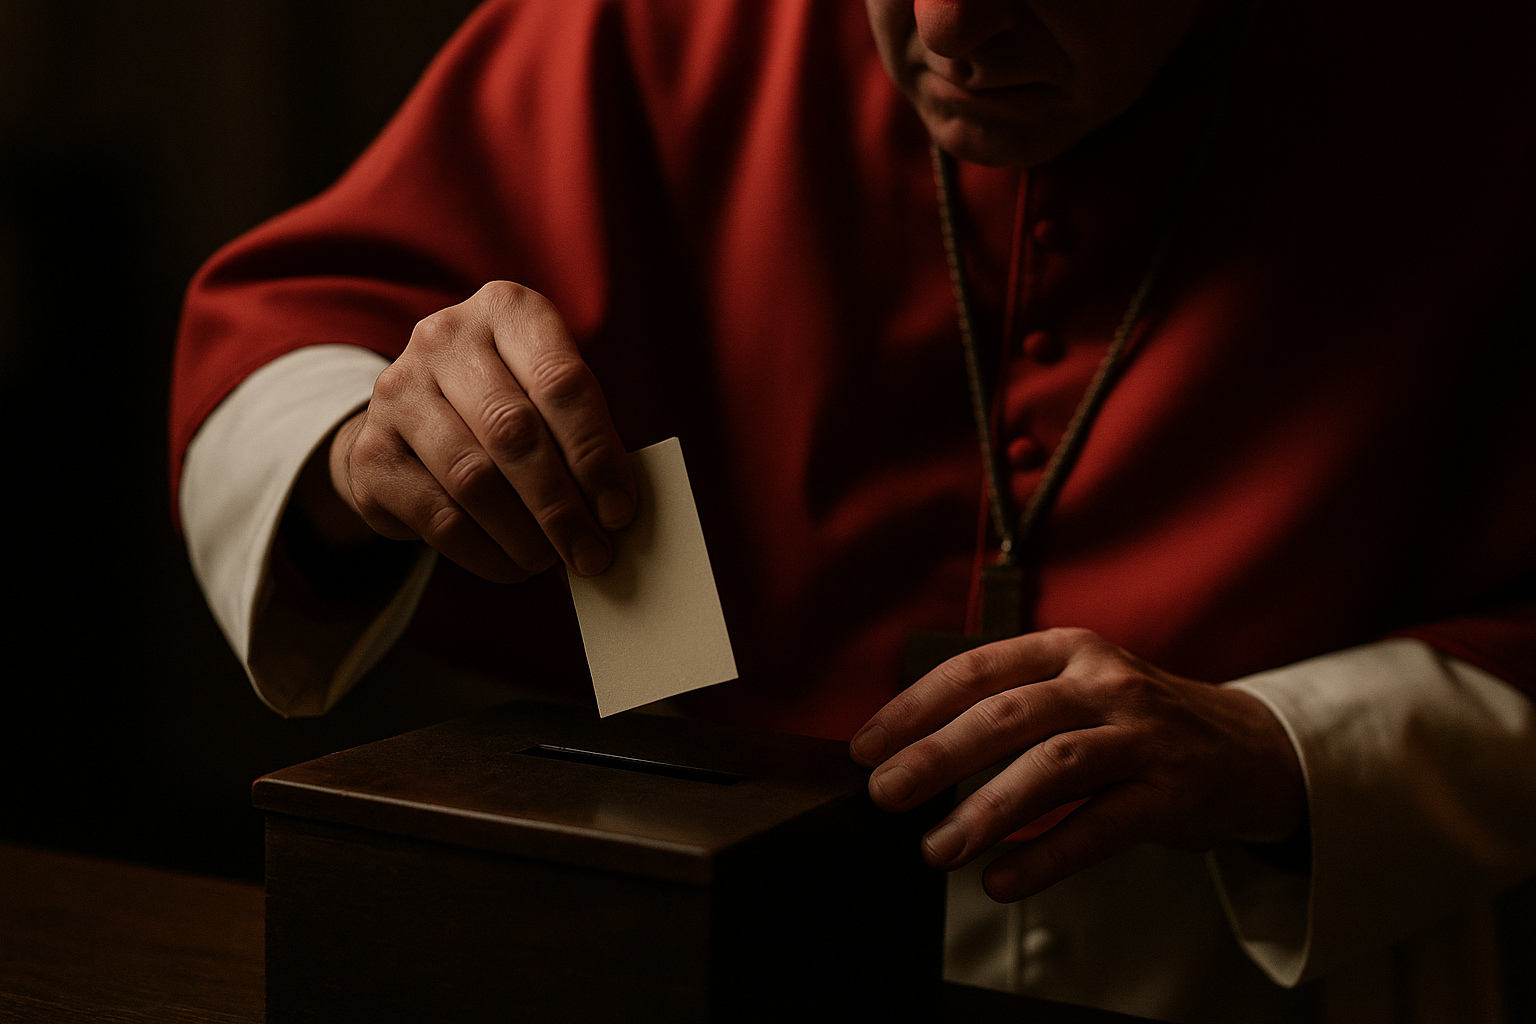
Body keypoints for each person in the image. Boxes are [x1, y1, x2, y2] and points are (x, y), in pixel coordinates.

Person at [172, 0, 1536, 1019]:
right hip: (699, 952)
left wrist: (1288, 751)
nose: (949, 27)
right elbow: (295, 339)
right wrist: (369, 449)